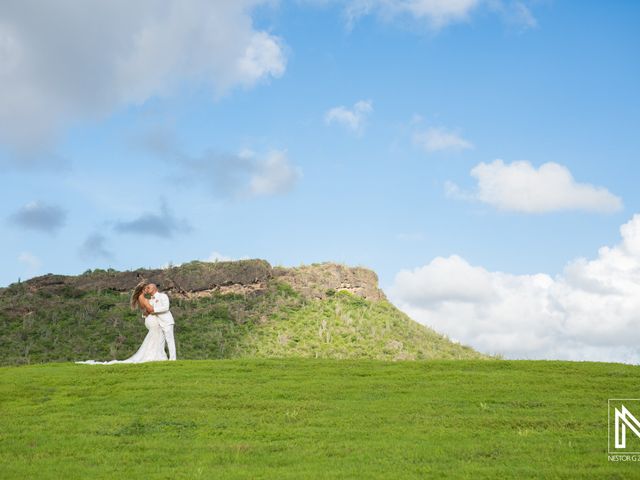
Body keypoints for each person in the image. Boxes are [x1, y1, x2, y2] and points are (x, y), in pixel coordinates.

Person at [75, 281, 169, 364]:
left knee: (155, 337)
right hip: (152, 320)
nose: (147, 290)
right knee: (157, 336)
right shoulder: (143, 298)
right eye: (146, 288)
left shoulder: (141, 298)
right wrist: (155, 305)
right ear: (142, 290)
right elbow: (149, 309)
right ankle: (155, 356)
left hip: (149, 319)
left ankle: (157, 355)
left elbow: (145, 311)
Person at [143, 283, 177, 361]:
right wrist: (145, 314)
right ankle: (161, 358)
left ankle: (173, 359)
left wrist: (154, 310)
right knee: (160, 342)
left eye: (149, 287)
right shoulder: (150, 300)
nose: (147, 289)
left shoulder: (163, 296)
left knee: (170, 340)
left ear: (154, 288)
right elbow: (148, 311)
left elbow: (166, 307)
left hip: (166, 322)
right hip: (157, 324)